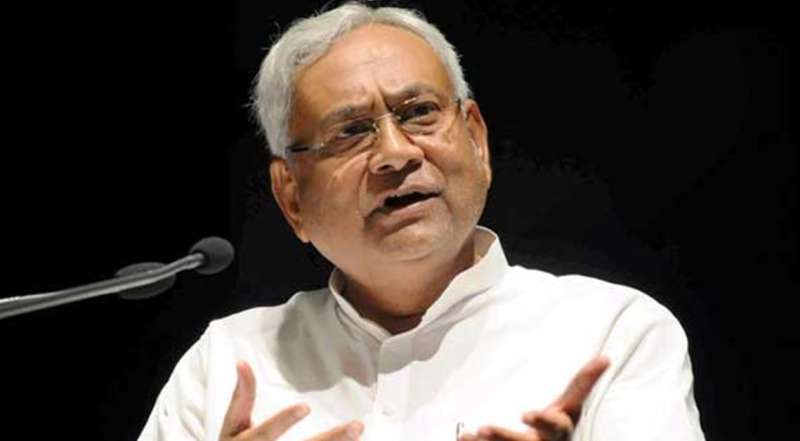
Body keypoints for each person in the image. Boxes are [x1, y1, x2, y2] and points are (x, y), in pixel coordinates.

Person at [139, 3, 705, 440]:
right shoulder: (227, 362)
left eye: (418, 114)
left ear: (477, 140)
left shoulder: (611, 332)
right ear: (291, 196)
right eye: (350, 132)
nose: (395, 153)